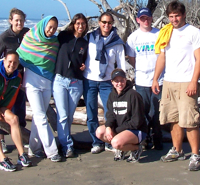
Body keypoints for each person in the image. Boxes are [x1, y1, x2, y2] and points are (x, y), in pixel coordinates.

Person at [151, 0, 200, 171]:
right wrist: (155, 78)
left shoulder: (194, 32)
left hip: (186, 82)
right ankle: (177, 150)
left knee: (190, 121)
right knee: (173, 119)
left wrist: (193, 81)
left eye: (177, 16)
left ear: (183, 15)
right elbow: (162, 57)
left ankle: (195, 155)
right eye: (171, 16)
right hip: (169, 81)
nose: (174, 19)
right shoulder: (166, 32)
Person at [17, 15, 62, 162]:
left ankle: (34, 149)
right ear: (43, 25)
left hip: (47, 82)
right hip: (31, 81)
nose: (51, 30)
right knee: (41, 116)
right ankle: (52, 151)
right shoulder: (30, 37)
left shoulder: (55, 42)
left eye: (54, 28)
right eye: (49, 27)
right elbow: (19, 54)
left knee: (38, 118)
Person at [83, 11, 127, 154]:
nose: (106, 25)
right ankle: (96, 142)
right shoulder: (90, 37)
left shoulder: (117, 43)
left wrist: (121, 82)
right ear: (99, 23)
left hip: (107, 82)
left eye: (109, 22)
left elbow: (121, 65)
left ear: (112, 24)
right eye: (104, 22)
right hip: (89, 80)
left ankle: (109, 140)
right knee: (91, 112)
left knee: (110, 113)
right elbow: (81, 55)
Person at [0, 8, 30, 154]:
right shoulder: (4, 37)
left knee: (20, 107)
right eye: (16, 20)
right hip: (6, 79)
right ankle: (2, 139)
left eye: (21, 20)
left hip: (21, 77)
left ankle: (23, 137)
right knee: (4, 109)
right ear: (11, 21)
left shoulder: (27, 34)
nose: (19, 22)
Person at [126, 7, 163, 150]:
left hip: (159, 79)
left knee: (157, 112)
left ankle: (158, 139)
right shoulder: (133, 38)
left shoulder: (159, 34)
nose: (145, 21)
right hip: (141, 80)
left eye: (147, 18)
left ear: (152, 18)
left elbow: (163, 56)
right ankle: (145, 139)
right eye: (142, 19)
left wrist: (157, 75)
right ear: (138, 20)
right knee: (143, 111)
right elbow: (132, 58)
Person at [52, 13, 89, 158]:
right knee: (62, 115)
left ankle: (64, 141)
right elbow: (48, 43)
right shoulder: (63, 36)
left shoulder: (85, 44)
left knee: (69, 115)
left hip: (76, 82)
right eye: (78, 23)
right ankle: (67, 145)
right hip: (60, 80)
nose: (80, 26)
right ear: (73, 24)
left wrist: (84, 66)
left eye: (83, 24)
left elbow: (86, 61)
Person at [95, 68, 147, 163]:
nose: (119, 84)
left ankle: (136, 148)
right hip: (121, 129)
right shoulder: (112, 95)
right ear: (112, 82)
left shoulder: (134, 95)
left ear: (125, 80)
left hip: (136, 130)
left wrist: (116, 131)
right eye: (116, 81)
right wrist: (108, 127)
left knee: (115, 142)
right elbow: (110, 114)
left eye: (122, 80)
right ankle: (122, 147)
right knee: (100, 132)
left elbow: (137, 121)